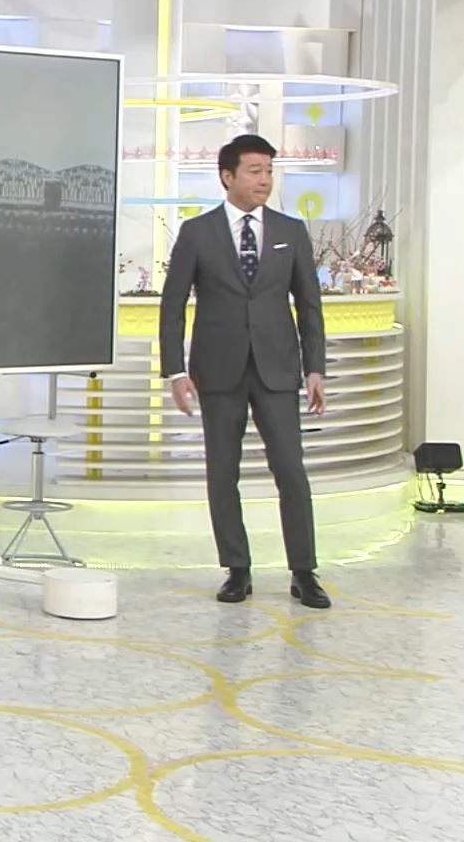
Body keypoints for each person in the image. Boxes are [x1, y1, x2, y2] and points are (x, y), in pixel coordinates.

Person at [159, 134, 330, 609]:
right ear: (227, 176)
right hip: (218, 370)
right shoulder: (197, 233)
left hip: (278, 368)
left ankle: (304, 571)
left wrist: (315, 367)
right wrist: (174, 371)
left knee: (291, 470)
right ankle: (237, 569)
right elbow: (172, 307)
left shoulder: (291, 231)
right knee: (222, 472)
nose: (265, 180)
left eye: (269, 171)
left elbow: (309, 305)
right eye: (255, 171)